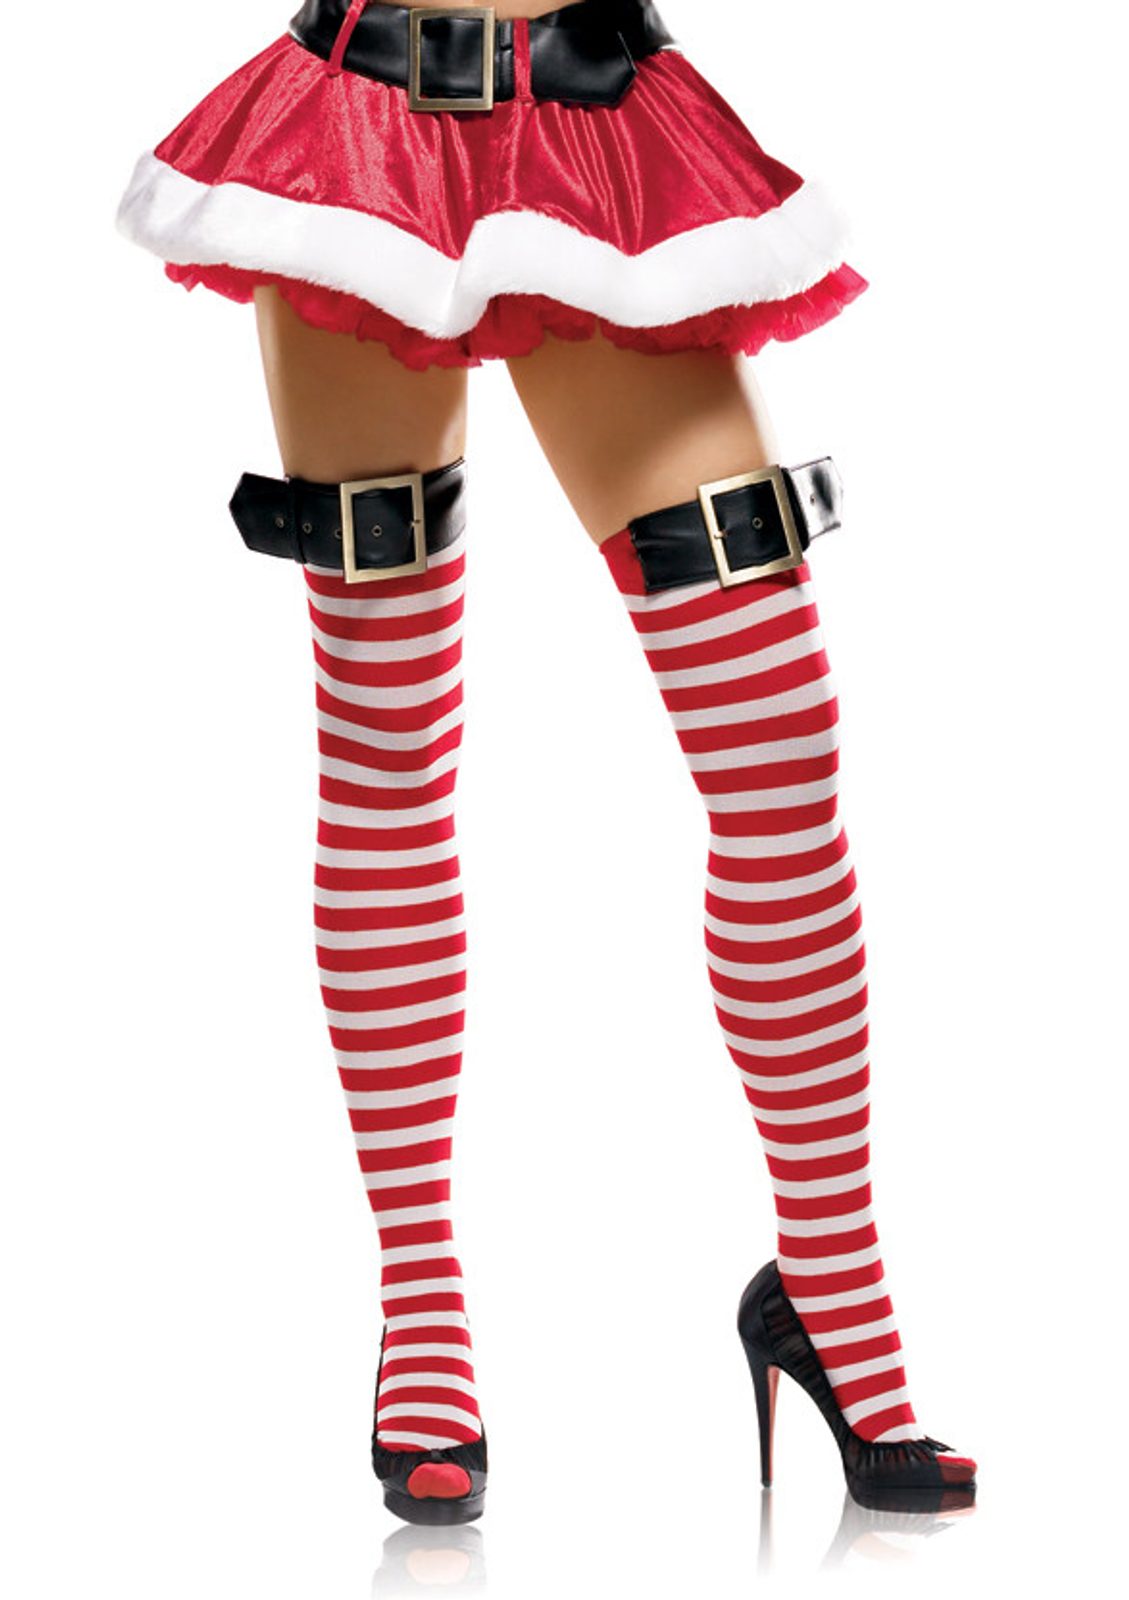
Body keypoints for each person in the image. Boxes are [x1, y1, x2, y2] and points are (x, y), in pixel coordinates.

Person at [114, 0, 977, 1526]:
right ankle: (421, 1307)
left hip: (596, 129)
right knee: (385, 729)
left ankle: (829, 1285)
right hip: (362, 131)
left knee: (773, 737)